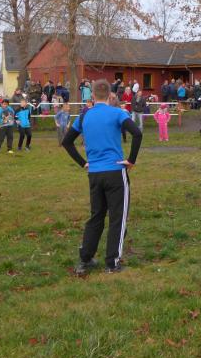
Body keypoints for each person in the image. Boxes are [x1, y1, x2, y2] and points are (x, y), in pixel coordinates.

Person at [61, 79, 143, 274]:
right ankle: (112, 263)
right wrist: (131, 160)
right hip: (115, 172)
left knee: (96, 216)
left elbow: (67, 142)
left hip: (95, 174)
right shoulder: (118, 113)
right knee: (117, 217)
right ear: (110, 95)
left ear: (92, 95)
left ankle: (85, 259)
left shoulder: (84, 116)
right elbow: (137, 133)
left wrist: (83, 162)